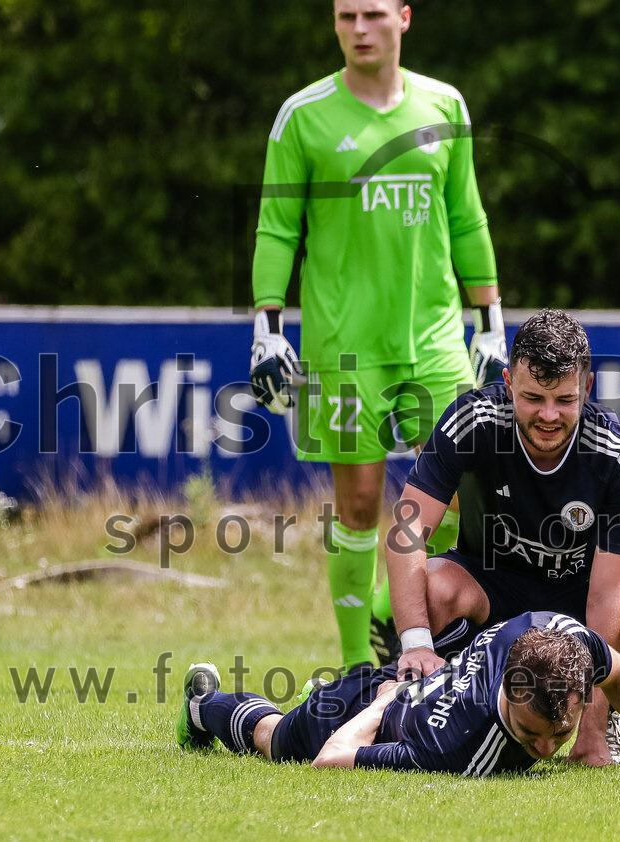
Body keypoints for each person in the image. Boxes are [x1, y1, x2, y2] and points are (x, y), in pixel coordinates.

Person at [248, 0, 507, 674]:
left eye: (371, 14)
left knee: (449, 502)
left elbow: (467, 216)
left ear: (404, 17)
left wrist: (492, 323)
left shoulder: (444, 105)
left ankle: (402, 626)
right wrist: (267, 330)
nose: (358, 29)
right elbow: (277, 227)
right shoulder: (302, 115)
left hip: (435, 338)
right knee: (359, 504)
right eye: (345, 16)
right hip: (342, 344)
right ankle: (356, 666)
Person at [385, 309, 620, 767]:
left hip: (581, 591)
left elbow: (608, 589)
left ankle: (607, 716)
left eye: (564, 400)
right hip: (490, 586)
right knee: (431, 591)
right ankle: (452, 702)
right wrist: (415, 641)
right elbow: (406, 531)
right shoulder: (471, 421)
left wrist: (591, 726)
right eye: (533, 398)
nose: (548, 415)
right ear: (508, 382)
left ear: (586, 389)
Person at [176, 611, 620, 777]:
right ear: (507, 682)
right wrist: (384, 704)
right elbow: (330, 760)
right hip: (362, 711)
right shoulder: (459, 750)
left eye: (560, 734)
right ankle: (202, 707)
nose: (546, 750)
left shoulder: (551, 636)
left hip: (410, 685)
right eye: (530, 732)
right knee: (275, 738)